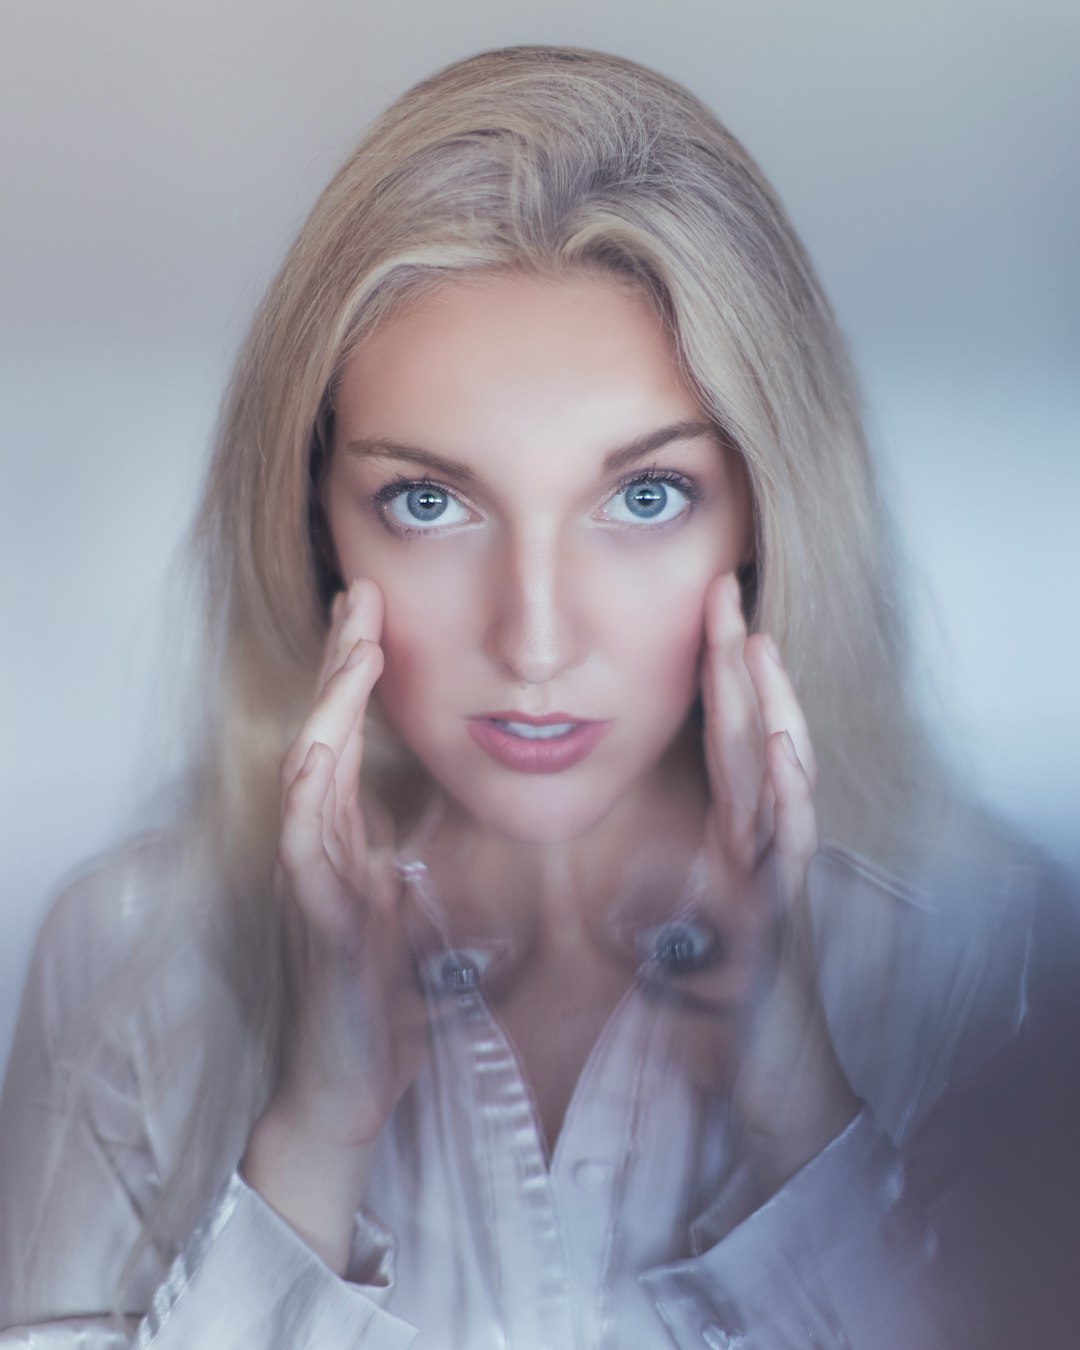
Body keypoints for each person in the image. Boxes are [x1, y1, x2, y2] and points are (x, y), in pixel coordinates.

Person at [1, 44, 1076, 1349]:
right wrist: (309, 1150)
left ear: (760, 509)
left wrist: (806, 1126)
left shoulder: (995, 963)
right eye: (430, 500)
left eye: (643, 495)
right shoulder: (136, 951)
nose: (538, 635)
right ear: (315, 519)